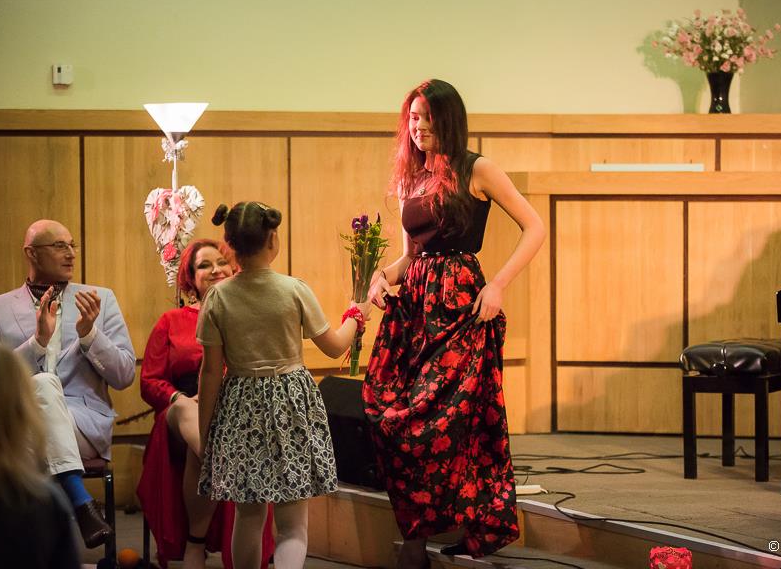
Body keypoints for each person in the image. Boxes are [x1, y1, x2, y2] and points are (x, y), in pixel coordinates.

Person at [363, 79, 544, 567]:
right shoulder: (412, 177)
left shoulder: (477, 168)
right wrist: (382, 276)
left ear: (448, 120)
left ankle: (460, 528)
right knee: (391, 415)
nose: (418, 127)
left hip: (461, 304)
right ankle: (418, 536)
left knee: (449, 420)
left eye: (427, 117)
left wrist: (498, 284)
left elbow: (535, 226)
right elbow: (410, 256)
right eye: (413, 118)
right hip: (416, 307)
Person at [196, 201, 374, 569]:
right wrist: (356, 316)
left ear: (230, 245)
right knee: (292, 524)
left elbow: (210, 373)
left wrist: (205, 432)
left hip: (240, 406)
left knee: (248, 516)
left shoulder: (217, 297)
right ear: (272, 240)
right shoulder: (294, 289)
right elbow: (335, 346)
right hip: (291, 403)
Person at [0, 219, 136, 549]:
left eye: (72, 245)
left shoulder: (99, 300)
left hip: (82, 425)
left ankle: (18, 547)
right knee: (43, 385)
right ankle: (81, 502)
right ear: (31, 253)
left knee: (43, 388)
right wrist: (37, 342)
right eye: (59, 246)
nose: (71, 254)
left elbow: (124, 375)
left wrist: (89, 335)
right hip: (18, 425)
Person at [137, 238, 275, 569]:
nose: (215, 270)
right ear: (190, 278)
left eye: (221, 262)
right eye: (204, 265)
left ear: (234, 267)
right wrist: (180, 397)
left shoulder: (248, 315)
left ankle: (194, 545)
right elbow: (149, 381)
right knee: (191, 413)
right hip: (181, 407)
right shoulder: (170, 320)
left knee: (204, 443)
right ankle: (234, 469)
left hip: (233, 410)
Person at [0, 337, 80, 569]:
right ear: (19, 411)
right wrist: (38, 342)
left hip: (79, 420)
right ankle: (79, 496)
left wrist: (89, 336)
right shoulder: (46, 504)